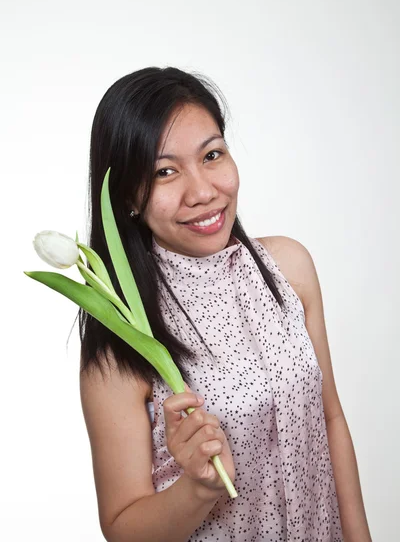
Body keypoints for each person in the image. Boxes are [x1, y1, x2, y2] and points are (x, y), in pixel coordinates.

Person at [79, 67, 370, 542]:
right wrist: (196, 488)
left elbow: (331, 418)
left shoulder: (289, 269)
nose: (203, 191)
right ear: (129, 195)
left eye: (212, 155)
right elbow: (121, 528)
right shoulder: (123, 339)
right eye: (165, 171)